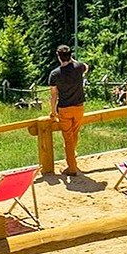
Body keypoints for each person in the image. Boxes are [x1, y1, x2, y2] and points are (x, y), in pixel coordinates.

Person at [47, 44, 90, 177]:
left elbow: (54, 95)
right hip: (79, 107)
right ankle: (73, 158)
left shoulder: (55, 74)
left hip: (64, 108)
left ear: (58, 56)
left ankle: (71, 168)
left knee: (68, 138)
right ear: (71, 55)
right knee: (74, 133)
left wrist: (53, 111)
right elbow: (86, 67)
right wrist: (72, 60)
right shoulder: (79, 67)